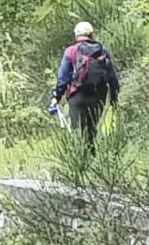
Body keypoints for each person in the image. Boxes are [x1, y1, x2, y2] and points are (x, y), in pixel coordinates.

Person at [51, 21, 121, 152]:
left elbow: (63, 77)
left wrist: (57, 96)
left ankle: (81, 165)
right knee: (91, 131)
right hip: (99, 96)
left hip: (78, 96)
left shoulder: (71, 51)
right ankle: (93, 163)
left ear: (77, 35)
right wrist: (113, 99)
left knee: (79, 133)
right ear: (91, 34)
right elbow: (112, 78)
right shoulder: (102, 50)